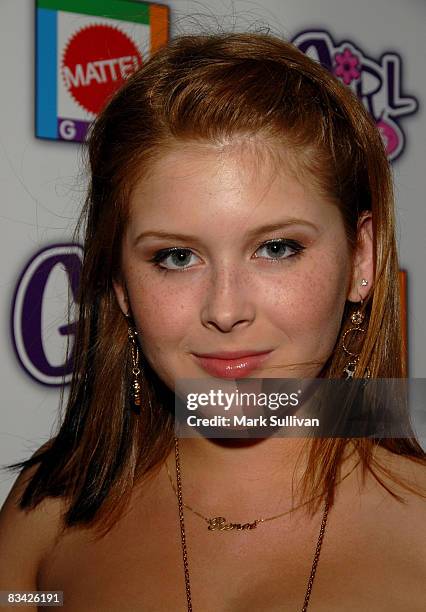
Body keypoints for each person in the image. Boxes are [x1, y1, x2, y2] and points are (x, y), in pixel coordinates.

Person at [0, 32, 425, 611]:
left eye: (276, 248)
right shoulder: (50, 507)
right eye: (175, 257)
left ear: (361, 258)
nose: (225, 311)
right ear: (121, 284)